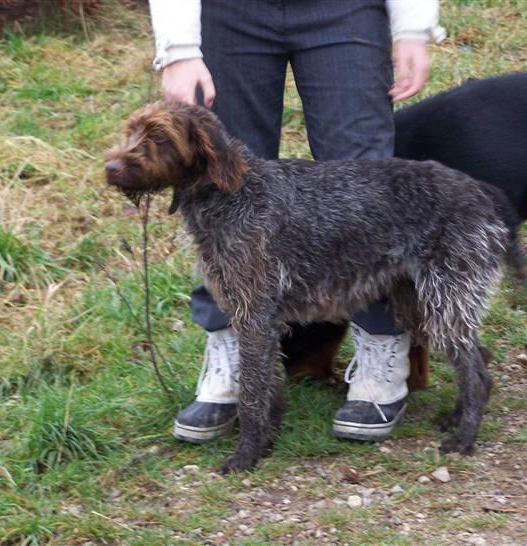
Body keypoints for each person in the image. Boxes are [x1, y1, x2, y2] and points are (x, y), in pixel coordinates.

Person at [147, 0, 445, 444]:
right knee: (222, 184)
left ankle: (380, 348)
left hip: (346, 11)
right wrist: (179, 47)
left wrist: (414, 25)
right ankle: (230, 345)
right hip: (228, 15)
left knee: (362, 179)